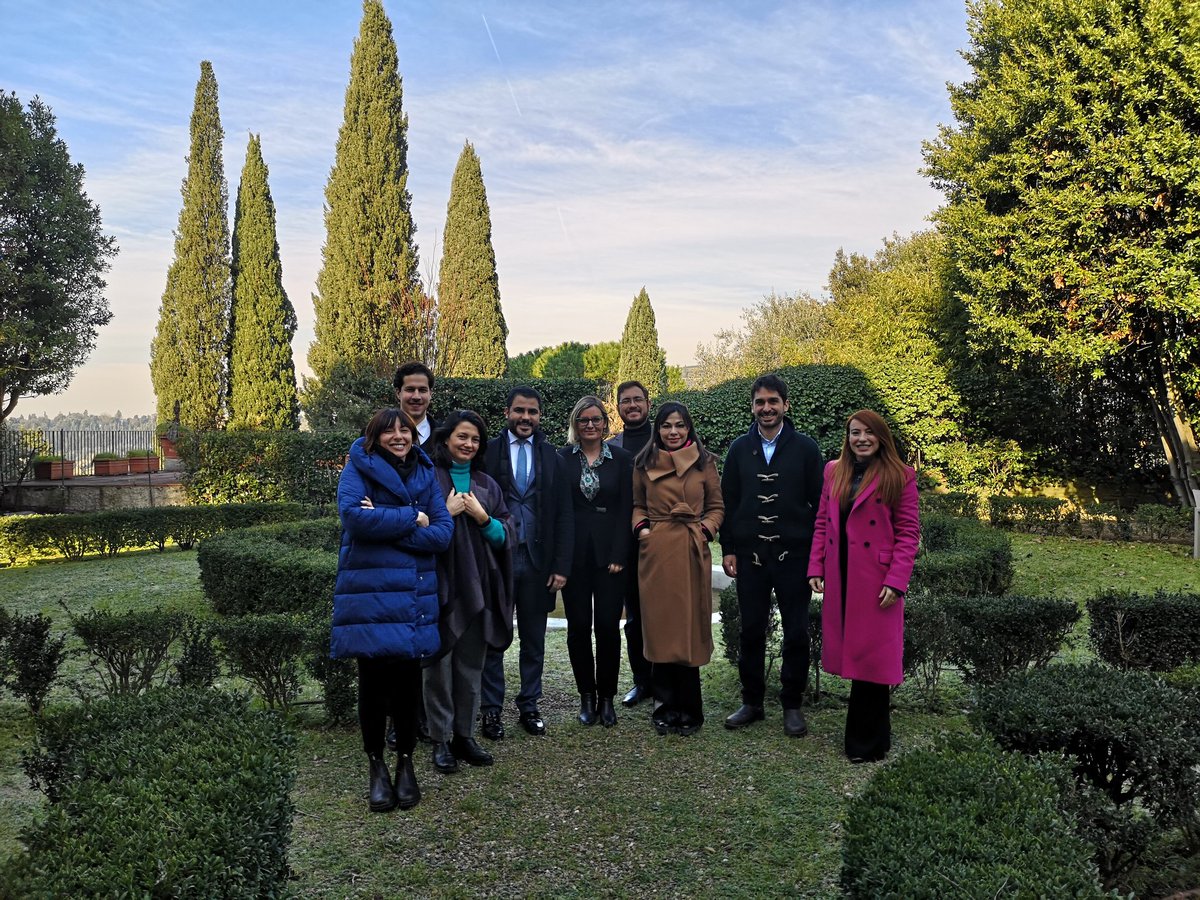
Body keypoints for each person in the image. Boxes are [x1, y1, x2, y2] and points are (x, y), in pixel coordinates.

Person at [331, 408, 453, 812]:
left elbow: (440, 534)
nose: (399, 436)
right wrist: (410, 517)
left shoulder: (424, 469)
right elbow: (353, 518)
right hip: (370, 594)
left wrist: (385, 525)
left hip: (411, 595)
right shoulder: (357, 468)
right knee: (371, 686)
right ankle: (376, 767)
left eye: (405, 429)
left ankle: (405, 765)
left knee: (405, 686)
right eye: (390, 431)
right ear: (375, 436)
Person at [807, 410, 919, 763]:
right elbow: (823, 522)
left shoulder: (901, 476)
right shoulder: (833, 470)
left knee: (874, 661)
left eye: (869, 433)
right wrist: (816, 566)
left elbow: (907, 535)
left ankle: (864, 744)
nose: (862, 439)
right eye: (855, 433)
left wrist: (897, 581)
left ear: (881, 437)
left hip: (877, 580)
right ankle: (875, 738)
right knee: (861, 659)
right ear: (848, 437)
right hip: (842, 576)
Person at [720, 374, 823, 737]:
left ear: (785, 405)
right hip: (751, 557)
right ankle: (752, 702)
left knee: (796, 632)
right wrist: (729, 548)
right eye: (760, 402)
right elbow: (728, 501)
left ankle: (792, 704)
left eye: (773, 401)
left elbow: (819, 505)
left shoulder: (807, 449)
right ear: (752, 406)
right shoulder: (738, 449)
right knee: (750, 631)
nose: (767, 408)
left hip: (793, 557)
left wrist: (816, 555)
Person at [479, 387, 574, 738]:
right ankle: (491, 710)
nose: (526, 418)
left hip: (537, 561)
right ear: (507, 413)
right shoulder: (486, 452)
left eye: (532, 412)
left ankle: (529, 706)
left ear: (539, 416)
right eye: (519, 411)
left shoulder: (553, 457)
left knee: (534, 639)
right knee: (494, 638)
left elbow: (565, 514)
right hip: (497, 560)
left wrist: (562, 565)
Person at [424, 410, 515, 774]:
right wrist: (445, 513)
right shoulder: (428, 479)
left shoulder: (487, 486)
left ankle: (464, 735)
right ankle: (440, 740)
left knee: (470, 665)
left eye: (475, 439)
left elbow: (505, 535)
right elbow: (417, 529)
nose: (468, 444)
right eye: (462, 436)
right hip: (437, 586)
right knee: (437, 666)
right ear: (447, 439)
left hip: (479, 587)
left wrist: (482, 517)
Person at [632, 402, 724, 735]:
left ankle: (690, 708)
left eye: (680, 425)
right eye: (667, 426)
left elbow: (716, 506)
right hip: (656, 553)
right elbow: (637, 504)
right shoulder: (643, 463)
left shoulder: (705, 462)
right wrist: (643, 531)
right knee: (660, 627)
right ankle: (664, 706)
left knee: (688, 626)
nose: (673, 432)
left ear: (689, 429)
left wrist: (703, 530)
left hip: (690, 550)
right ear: (657, 429)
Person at [558, 395, 633, 727]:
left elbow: (627, 509)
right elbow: (559, 512)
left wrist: (620, 552)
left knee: (607, 627)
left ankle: (607, 698)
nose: (590, 425)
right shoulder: (562, 459)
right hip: (574, 556)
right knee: (577, 629)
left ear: (606, 423)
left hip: (610, 558)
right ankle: (586, 697)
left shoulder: (622, 458)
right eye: (583, 420)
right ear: (575, 424)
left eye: (596, 419)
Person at [609, 380, 653, 706]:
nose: (632, 405)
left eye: (638, 399)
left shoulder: (666, 439)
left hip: (662, 542)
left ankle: (665, 682)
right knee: (635, 617)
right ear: (619, 406)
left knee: (663, 615)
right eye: (626, 401)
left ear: (648, 403)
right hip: (626, 544)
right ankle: (642, 681)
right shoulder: (612, 447)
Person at [393, 361, 438, 449]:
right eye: (410, 389)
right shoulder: (376, 434)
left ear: (430, 394)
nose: (416, 397)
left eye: (422, 390)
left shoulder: (445, 437)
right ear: (398, 393)